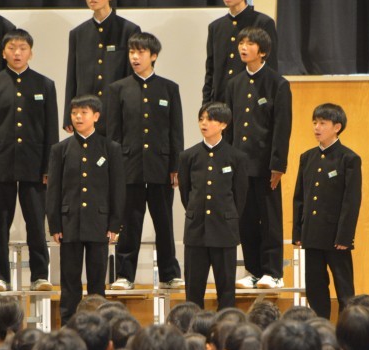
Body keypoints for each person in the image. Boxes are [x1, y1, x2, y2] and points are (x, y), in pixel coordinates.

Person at [0, 29, 58, 292]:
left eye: (23, 48)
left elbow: (51, 130)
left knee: (36, 222)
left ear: (30, 53)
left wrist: (49, 166)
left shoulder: (45, 84)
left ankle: (40, 274)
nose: (17, 53)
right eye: (12, 48)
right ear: (3, 53)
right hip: (0, 163)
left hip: (34, 164)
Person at [107, 32, 184, 290]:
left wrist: (175, 166)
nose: (135, 57)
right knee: (129, 223)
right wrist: (115, 168)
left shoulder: (169, 88)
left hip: (161, 167)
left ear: (153, 56)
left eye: (140, 52)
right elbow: (114, 134)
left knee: (164, 223)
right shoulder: (118, 89)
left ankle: (169, 274)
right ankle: (124, 275)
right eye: (132, 52)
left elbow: (176, 131)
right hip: (129, 166)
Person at [47, 95, 125, 323]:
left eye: (84, 112)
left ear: (96, 116)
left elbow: (117, 189)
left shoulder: (110, 148)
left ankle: (97, 323)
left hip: (99, 223)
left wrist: (114, 224)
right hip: (69, 223)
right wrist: (55, 224)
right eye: (74, 113)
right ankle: (68, 324)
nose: (78, 117)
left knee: (97, 281)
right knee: (69, 280)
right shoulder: (60, 149)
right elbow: (53, 190)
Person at [225, 27, 292, 290]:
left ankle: (273, 272)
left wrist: (278, 164)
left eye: (250, 44)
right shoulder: (234, 84)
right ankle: (253, 270)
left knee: (270, 219)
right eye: (241, 42)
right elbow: (230, 128)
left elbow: (282, 127)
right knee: (246, 219)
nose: (243, 47)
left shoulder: (278, 83)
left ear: (262, 51)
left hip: (266, 164)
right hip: (240, 165)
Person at [292, 103, 361, 319]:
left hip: (336, 237)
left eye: (322, 123)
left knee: (344, 289)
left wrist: (345, 236)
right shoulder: (307, 157)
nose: (317, 127)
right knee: (315, 287)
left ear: (337, 127)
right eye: (315, 122)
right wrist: (298, 232)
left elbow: (351, 201)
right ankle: (320, 327)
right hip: (311, 235)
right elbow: (299, 198)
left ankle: (348, 328)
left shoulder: (349, 158)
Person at [178, 102, 248, 309]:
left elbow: (240, 196)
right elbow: (186, 194)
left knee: (226, 291)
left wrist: (227, 216)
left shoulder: (236, 157)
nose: (204, 123)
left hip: (224, 231)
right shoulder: (188, 156)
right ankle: (193, 326)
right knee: (193, 291)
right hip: (196, 231)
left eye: (209, 119)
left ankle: (226, 326)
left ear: (223, 124)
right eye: (201, 119)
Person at [63, 0, 141, 135]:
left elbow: (132, 75)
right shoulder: (78, 33)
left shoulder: (129, 30)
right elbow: (72, 76)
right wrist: (68, 114)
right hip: (86, 113)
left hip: (116, 111)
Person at [203, 0, 278, 104]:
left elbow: (271, 65)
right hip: (221, 100)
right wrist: (206, 103)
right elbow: (210, 69)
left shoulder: (263, 22)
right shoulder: (215, 27)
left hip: (251, 98)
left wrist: (267, 101)